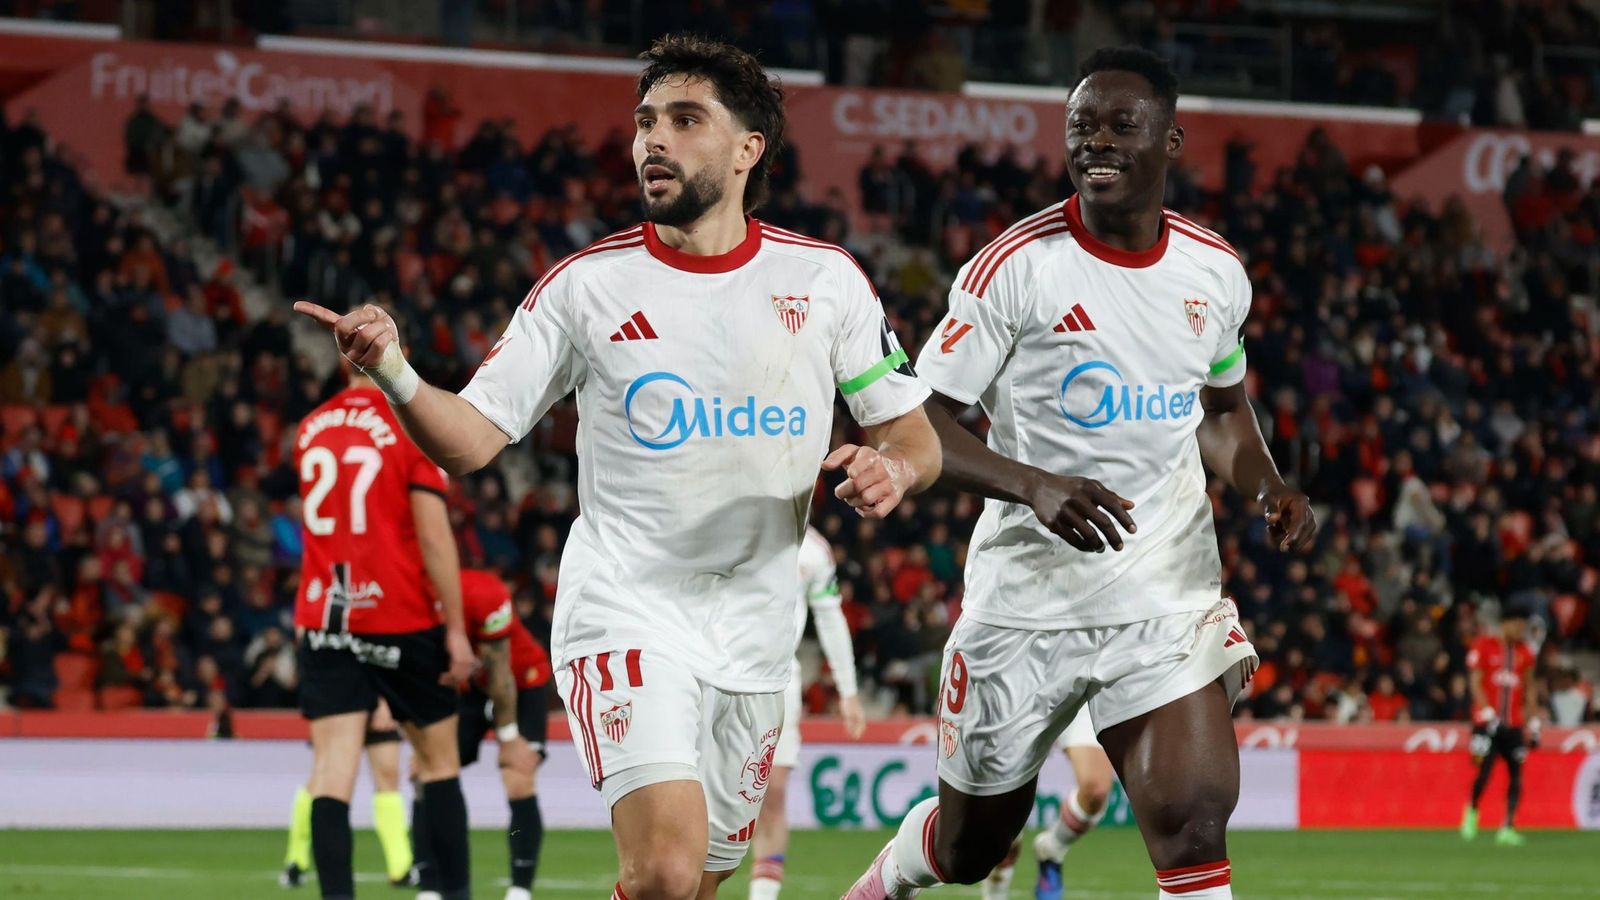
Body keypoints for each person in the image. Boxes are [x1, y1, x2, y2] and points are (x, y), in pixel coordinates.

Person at [296, 32, 942, 900]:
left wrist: (893, 470)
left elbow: (915, 436)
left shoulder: (825, 281)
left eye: (684, 119)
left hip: (756, 633)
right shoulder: (585, 287)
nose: (653, 141)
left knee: (700, 881)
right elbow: (473, 439)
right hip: (627, 609)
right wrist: (397, 371)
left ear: (750, 149)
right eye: (645, 122)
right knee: (668, 871)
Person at [845, 47, 1315, 900]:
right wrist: (1035, 485)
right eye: (1080, 127)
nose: (1096, 142)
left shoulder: (1215, 271)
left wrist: (1267, 486)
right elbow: (919, 426)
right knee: (972, 849)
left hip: (1162, 591)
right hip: (1029, 599)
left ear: (1170, 142)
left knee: (1194, 818)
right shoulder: (1013, 269)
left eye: (1120, 126)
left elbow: (1220, 413)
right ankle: (888, 879)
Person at [292, 361, 475, 900]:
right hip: (398, 613)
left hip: (325, 616)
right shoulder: (408, 423)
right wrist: (457, 629)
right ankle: (456, 894)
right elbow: (435, 537)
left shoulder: (310, 428)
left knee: (331, 774)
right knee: (438, 764)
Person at [413, 568, 550, 900]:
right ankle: (429, 888)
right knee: (424, 773)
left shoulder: (486, 593)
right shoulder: (413, 597)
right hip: (466, 690)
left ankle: (520, 890)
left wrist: (509, 735)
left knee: (519, 776)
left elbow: (499, 670)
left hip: (521, 680)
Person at [748, 526, 868, 900]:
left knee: (774, 794)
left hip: (781, 680)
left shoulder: (814, 551)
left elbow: (830, 616)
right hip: (719, 676)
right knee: (707, 801)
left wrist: (848, 691)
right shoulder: (734, 519)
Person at [281, 700, 416, 889]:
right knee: (325, 775)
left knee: (388, 774)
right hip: (339, 695)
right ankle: (296, 859)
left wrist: (384, 701)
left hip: (375, 693)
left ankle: (401, 866)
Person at [979, 710, 1114, 900]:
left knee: (1095, 791)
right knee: (1006, 804)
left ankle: (1053, 846)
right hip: (1026, 692)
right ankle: (995, 895)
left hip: (1080, 689)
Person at [1460, 603, 1540, 846]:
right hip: (1487, 724)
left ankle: (1507, 826)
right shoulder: (1484, 646)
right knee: (1483, 771)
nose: (1521, 631)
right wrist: (1487, 712)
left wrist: (1533, 721)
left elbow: (1529, 688)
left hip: (1513, 724)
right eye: (1518, 626)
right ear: (1505, 624)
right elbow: (1475, 682)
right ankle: (1472, 812)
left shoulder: (1524, 652)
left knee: (1517, 774)